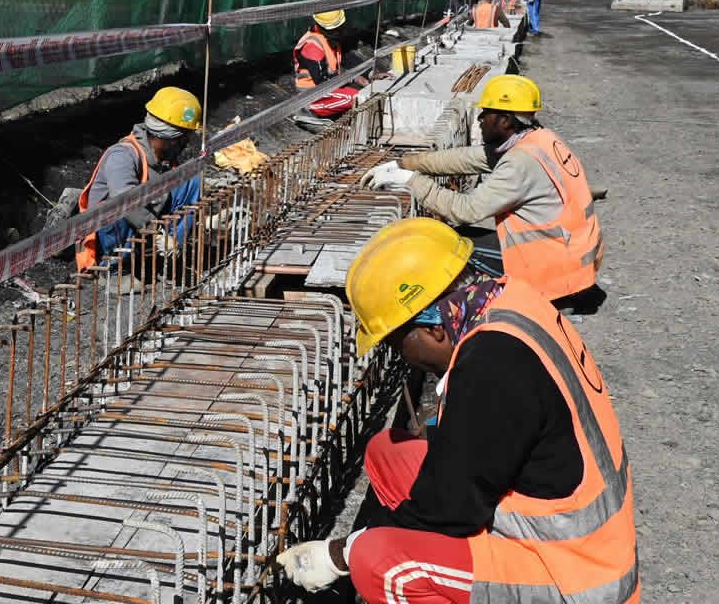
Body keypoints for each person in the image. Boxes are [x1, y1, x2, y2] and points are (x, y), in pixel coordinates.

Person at [276, 217, 640, 604]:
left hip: (573, 577)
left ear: (433, 329)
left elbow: (452, 509)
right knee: (389, 454)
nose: (403, 358)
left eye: (399, 343)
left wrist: (341, 553)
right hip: (554, 526)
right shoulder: (510, 301)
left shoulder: (492, 366)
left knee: (380, 562)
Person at [359, 75, 604, 312]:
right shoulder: (539, 139)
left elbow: (466, 210)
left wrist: (410, 181)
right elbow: (466, 159)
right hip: (571, 258)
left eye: (486, 113)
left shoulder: (519, 164)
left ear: (505, 120)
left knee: (451, 244)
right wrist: (405, 164)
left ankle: (513, 303)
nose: (479, 118)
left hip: (556, 273)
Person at [75, 87, 203, 283]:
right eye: (183, 139)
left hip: (144, 229)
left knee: (191, 179)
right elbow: (125, 200)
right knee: (118, 207)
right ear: (168, 139)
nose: (185, 144)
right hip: (108, 236)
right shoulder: (123, 155)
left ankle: (166, 257)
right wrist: (159, 232)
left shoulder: (164, 159)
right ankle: (115, 270)